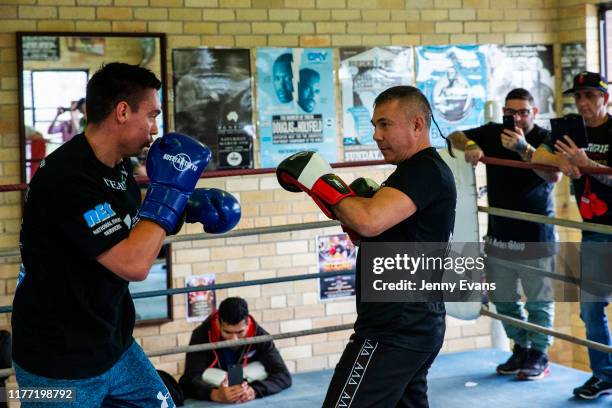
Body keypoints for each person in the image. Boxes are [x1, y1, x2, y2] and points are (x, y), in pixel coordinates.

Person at [11, 62, 240, 407]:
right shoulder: (67, 179)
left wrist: (184, 209)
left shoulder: (116, 166)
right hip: (58, 361)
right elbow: (133, 263)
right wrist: (170, 196)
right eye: (151, 115)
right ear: (122, 111)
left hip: (113, 345)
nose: (155, 128)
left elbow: (130, 227)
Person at [277, 85, 456, 407]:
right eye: (374, 125)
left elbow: (368, 221)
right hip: (412, 322)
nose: (376, 135)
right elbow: (368, 234)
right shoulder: (413, 172)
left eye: (385, 124)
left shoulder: (423, 170)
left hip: (394, 328)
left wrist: (319, 179)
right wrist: (343, 202)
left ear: (417, 124)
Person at [449, 88, 560, 381]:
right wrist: (471, 144)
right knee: (504, 299)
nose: (517, 118)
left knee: (539, 301)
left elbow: (553, 174)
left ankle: (539, 353)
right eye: (510, 112)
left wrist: (523, 148)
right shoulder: (494, 132)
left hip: (536, 234)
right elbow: (454, 135)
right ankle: (521, 348)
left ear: (534, 112)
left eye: (523, 111)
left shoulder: (545, 138)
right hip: (499, 235)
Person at [533, 71, 612, 399]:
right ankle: (605, 375)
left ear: (605, 99)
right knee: (590, 308)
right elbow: (538, 159)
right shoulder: (569, 128)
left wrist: (587, 162)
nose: (583, 103)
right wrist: (559, 162)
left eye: (590, 96)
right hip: (594, 233)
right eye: (578, 97)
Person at [179, 297, 291, 404]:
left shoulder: (260, 336)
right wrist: (215, 394)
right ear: (218, 323)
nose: (234, 340)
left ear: (248, 323)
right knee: (205, 375)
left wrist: (254, 391)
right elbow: (188, 380)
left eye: (240, 332)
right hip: (216, 382)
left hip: (248, 381)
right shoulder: (201, 334)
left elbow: (283, 375)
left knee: (260, 368)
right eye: (227, 332)